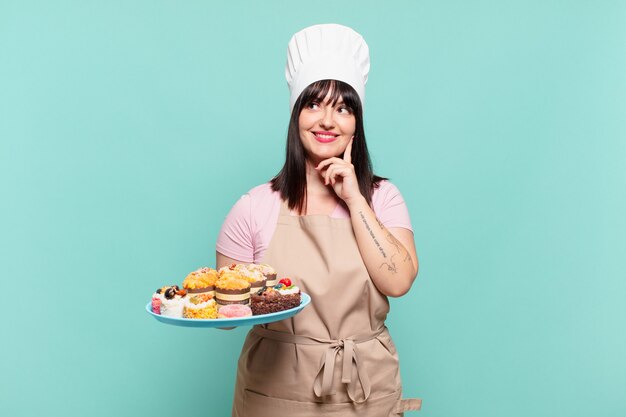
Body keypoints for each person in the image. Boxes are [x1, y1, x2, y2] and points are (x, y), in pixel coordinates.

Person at [216, 24, 421, 416]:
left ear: (356, 124)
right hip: (275, 393)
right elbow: (226, 315)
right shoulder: (253, 206)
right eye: (314, 105)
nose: (328, 121)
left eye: (343, 108)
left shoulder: (383, 199)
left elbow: (398, 280)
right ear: (296, 116)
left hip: (365, 387)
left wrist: (355, 199)